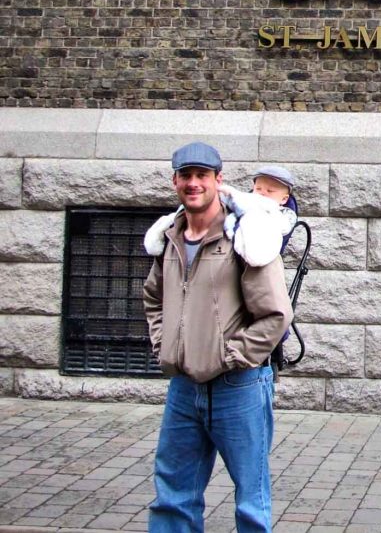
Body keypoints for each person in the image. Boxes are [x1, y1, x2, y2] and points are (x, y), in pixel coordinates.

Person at [143, 142, 293, 533]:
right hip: (183, 388)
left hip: (238, 387)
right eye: (186, 176)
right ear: (175, 181)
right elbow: (153, 298)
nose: (193, 184)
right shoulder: (170, 238)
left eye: (202, 176)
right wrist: (164, 345)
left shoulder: (245, 236)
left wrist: (229, 357)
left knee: (250, 501)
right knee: (172, 497)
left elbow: (275, 315)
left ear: (218, 180)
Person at [144, 165, 299, 268]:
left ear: (284, 199)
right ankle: (167, 227)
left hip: (248, 256)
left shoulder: (281, 215)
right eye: (258, 188)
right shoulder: (246, 201)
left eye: (270, 191)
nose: (263, 193)